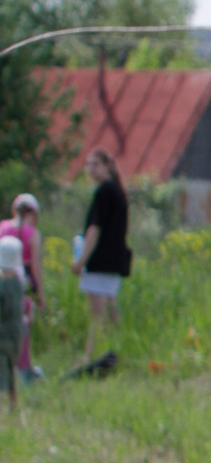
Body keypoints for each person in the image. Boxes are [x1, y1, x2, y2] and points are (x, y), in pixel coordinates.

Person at [77, 149, 130, 371]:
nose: (91, 169)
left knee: (97, 315)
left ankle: (91, 356)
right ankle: (116, 349)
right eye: (88, 164)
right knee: (111, 309)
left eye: (95, 164)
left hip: (100, 261)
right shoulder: (118, 190)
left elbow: (94, 230)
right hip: (115, 260)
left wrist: (81, 260)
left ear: (107, 165)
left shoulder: (104, 192)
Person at [0, 194, 38, 380]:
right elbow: (36, 268)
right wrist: (41, 294)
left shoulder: (2, 227)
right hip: (23, 282)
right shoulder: (33, 233)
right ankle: (24, 369)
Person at [0, 234, 23, 414]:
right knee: (11, 368)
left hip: (2, 336)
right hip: (16, 335)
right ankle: (13, 405)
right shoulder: (19, 283)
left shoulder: (2, 286)